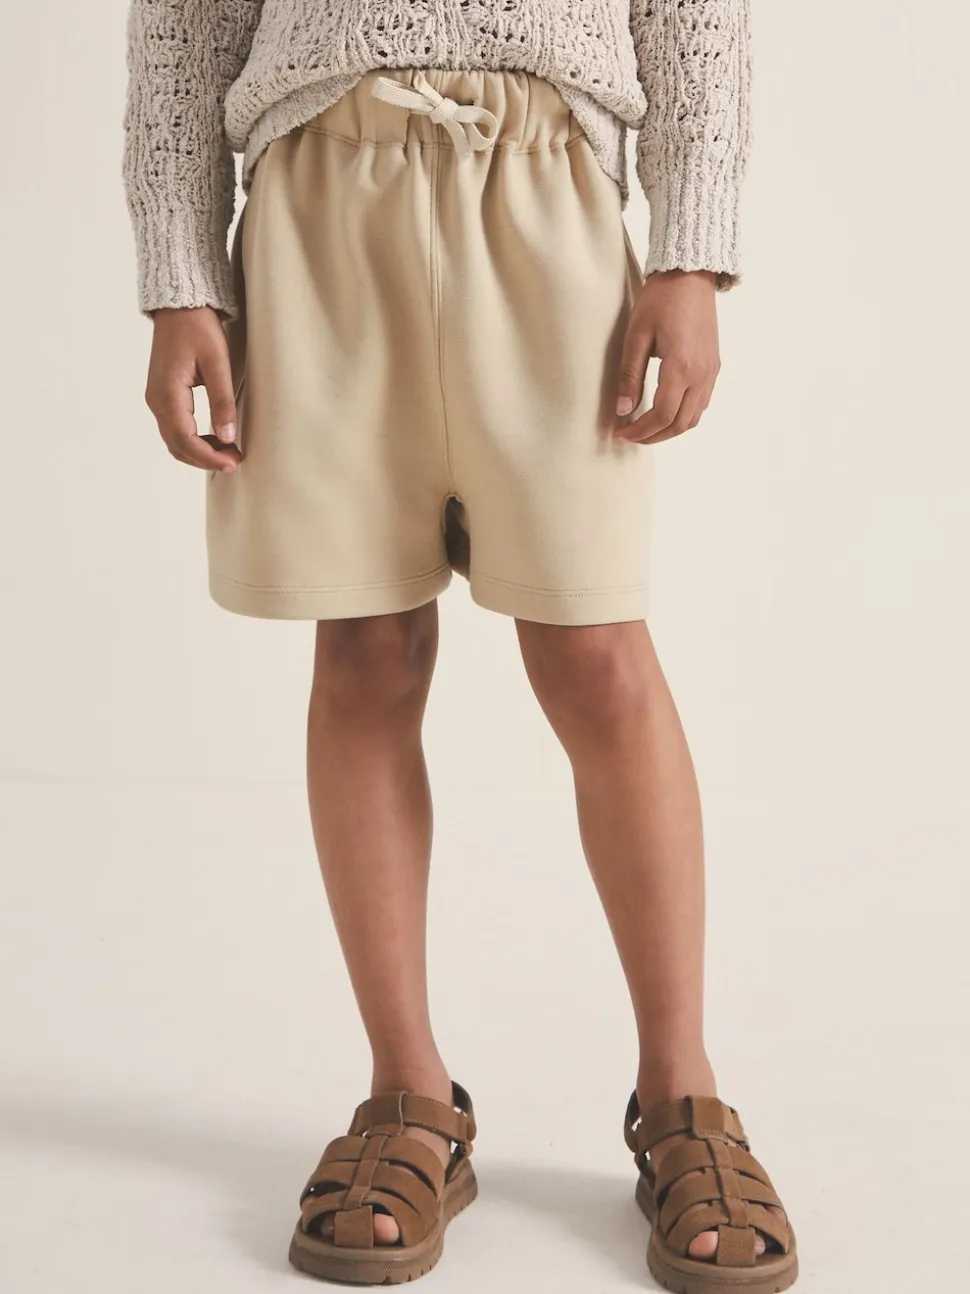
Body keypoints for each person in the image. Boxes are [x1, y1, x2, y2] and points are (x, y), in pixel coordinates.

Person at [123, 2, 796, 1290]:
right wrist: (180, 275)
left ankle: (684, 1098)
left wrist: (692, 254)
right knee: (364, 649)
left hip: (548, 191)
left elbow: (695, 17)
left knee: (597, 657)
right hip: (316, 206)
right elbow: (181, 29)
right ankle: (408, 1096)